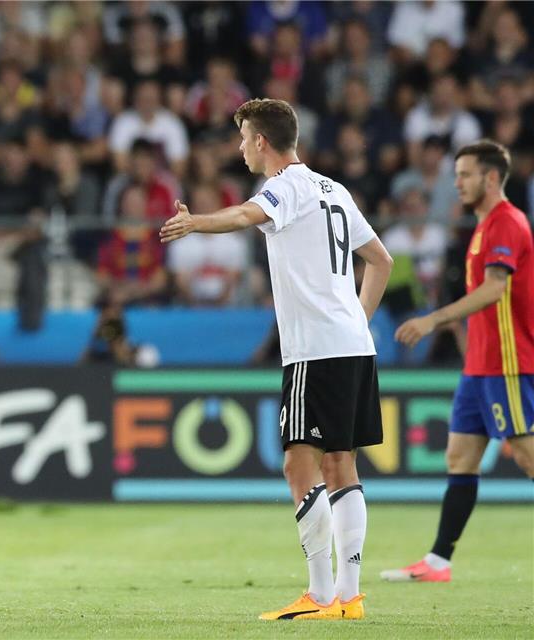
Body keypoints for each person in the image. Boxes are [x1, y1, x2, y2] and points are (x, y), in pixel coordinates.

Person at [160, 98, 394, 621]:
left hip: (315, 350)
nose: (241, 147)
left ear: (262, 141)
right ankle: (349, 596)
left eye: (244, 137)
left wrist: (196, 223)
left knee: (298, 464)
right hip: (353, 344)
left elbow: (247, 214)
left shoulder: (284, 187)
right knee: (341, 463)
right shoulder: (333, 189)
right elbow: (381, 260)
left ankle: (320, 594)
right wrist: (357, 319)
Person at [383, 140, 534, 583]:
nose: (457, 183)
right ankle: (438, 562)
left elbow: (495, 289)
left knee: (527, 456)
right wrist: (464, 338)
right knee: (459, 457)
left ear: (491, 177)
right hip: (480, 366)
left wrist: (434, 319)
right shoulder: (483, 226)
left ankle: (438, 561)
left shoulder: (506, 222)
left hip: (508, 362)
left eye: (466, 174)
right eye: (456, 175)